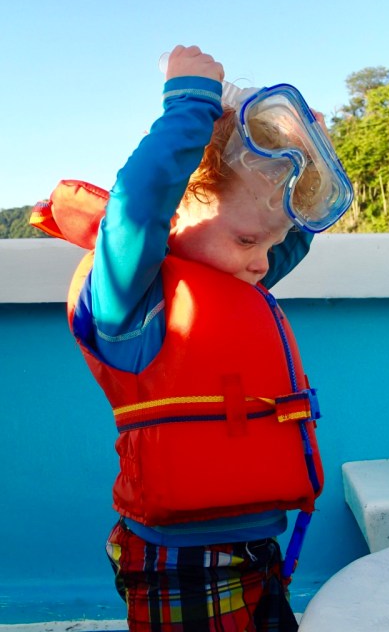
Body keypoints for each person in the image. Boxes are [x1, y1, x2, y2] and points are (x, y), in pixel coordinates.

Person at [32, 44, 351, 631]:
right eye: (248, 240)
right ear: (177, 213)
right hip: (179, 563)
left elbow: (297, 232)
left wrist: (309, 152)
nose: (264, 262)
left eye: (270, 243)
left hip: (259, 548)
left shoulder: (232, 275)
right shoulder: (133, 305)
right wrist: (187, 104)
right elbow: (138, 205)